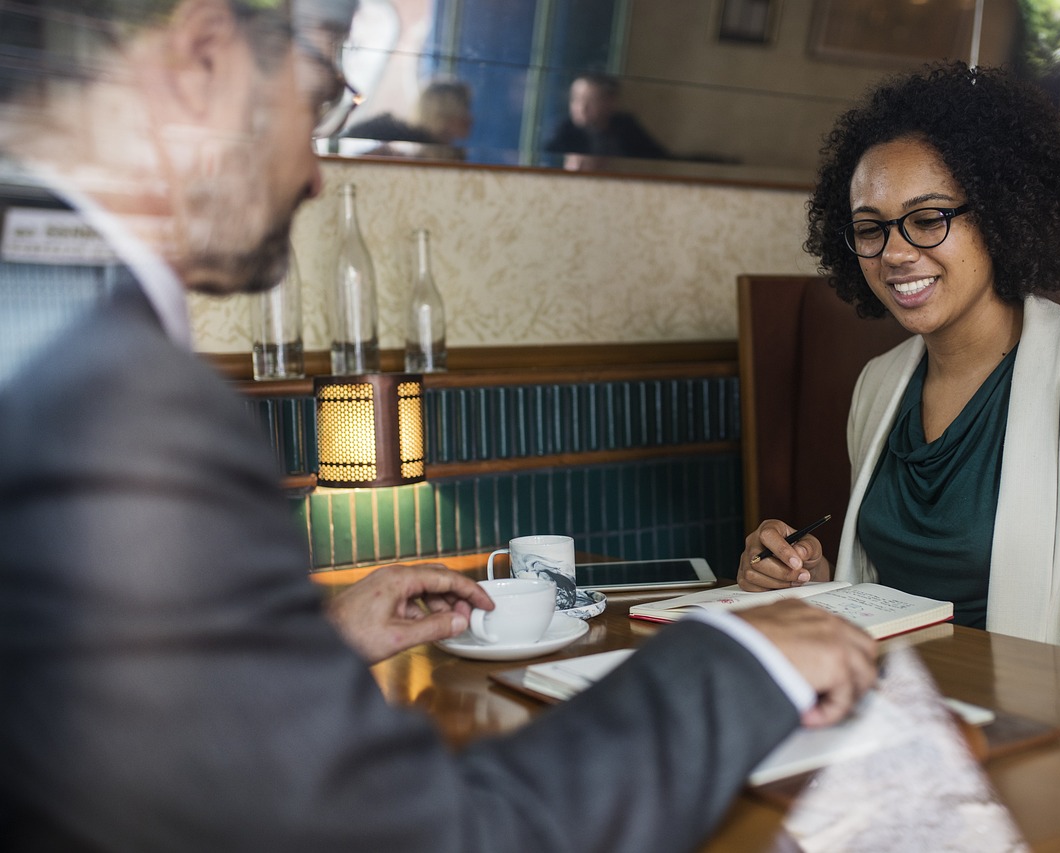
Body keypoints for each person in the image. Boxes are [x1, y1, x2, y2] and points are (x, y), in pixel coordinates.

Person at [0, 1, 879, 851]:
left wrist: (308, 647)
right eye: (311, 103)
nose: (314, 173)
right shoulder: (111, 396)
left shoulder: (43, 325)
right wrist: (737, 659)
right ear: (201, 61)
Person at [737, 62, 1060, 678]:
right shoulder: (879, 385)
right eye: (870, 229)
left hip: (1039, 748)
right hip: (893, 721)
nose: (894, 252)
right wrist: (809, 582)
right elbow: (908, 605)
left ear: (999, 214)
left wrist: (992, 727)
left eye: (928, 219)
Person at [342, 76, 473, 159]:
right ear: (444, 114)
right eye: (465, 108)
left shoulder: (451, 155)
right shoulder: (389, 135)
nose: (470, 118)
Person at [544, 72, 668, 161]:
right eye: (576, 99)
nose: (581, 108)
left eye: (591, 101)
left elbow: (659, 158)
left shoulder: (626, 126)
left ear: (610, 102)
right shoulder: (564, 131)